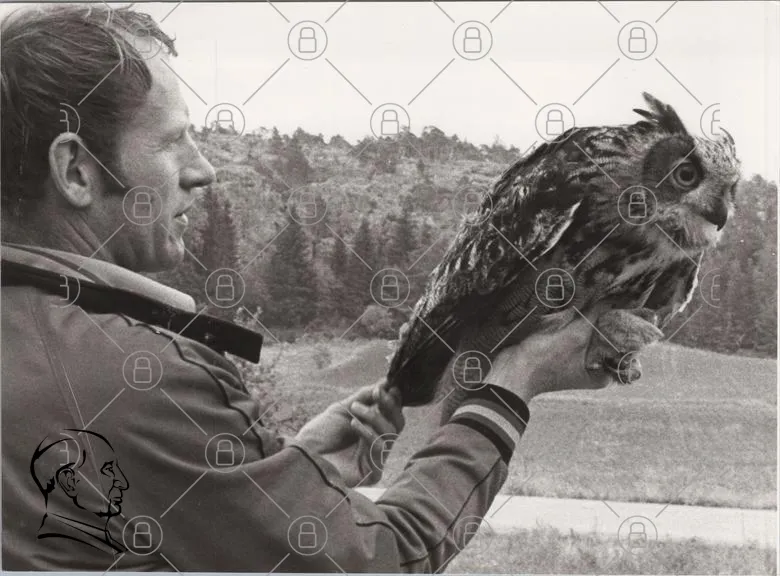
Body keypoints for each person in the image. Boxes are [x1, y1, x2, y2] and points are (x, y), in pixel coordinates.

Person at [1, 4, 612, 572]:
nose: (203, 170)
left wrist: (292, 469)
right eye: (170, 141)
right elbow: (378, 559)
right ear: (77, 170)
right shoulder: (138, 376)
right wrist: (510, 385)